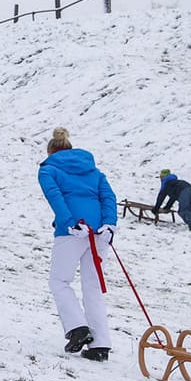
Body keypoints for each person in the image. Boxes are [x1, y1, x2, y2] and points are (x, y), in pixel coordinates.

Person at [38, 128, 118, 361]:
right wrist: (109, 224)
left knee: (59, 281)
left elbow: (56, 198)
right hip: (98, 234)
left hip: (73, 231)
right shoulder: (93, 170)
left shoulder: (48, 169)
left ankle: (77, 328)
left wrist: (70, 223)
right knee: (92, 286)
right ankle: (100, 344)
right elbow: (108, 197)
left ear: (51, 151)